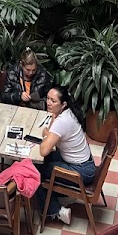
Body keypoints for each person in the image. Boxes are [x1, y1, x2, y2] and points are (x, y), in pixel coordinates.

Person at [32, 85, 96, 225]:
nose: (49, 103)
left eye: (53, 101)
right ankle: (60, 195)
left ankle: (56, 211)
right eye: (48, 99)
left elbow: (44, 150)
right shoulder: (68, 112)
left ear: (63, 104)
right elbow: (51, 131)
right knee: (41, 161)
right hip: (83, 163)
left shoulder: (62, 121)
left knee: (34, 171)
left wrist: (46, 136)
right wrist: (50, 129)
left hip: (81, 171)